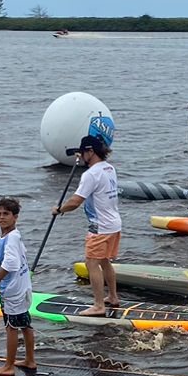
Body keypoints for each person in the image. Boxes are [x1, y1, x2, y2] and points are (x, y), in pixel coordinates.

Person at [53, 134, 122, 314]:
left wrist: (59, 209)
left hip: (100, 226)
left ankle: (99, 306)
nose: (81, 157)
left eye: (83, 152)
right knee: (104, 261)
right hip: (114, 224)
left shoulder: (91, 174)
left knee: (91, 263)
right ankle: (113, 297)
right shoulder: (109, 168)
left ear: (90, 152)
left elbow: (76, 202)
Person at [0, 197, 36, 376]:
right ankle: (30, 360)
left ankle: (8, 367)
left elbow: (11, 264)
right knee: (25, 325)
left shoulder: (11, 239)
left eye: (6, 214)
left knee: (11, 327)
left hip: (13, 292)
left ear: (15, 217)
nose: (1, 217)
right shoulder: (13, 236)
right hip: (22, 290)